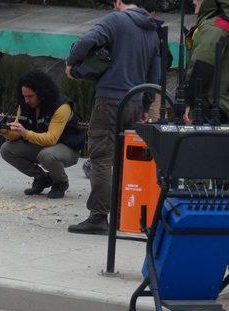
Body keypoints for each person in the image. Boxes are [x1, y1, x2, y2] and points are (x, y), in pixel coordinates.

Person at [65, 0, 161, 234]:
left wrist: (70, 63)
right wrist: (146, 104)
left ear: (119, 2)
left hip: (110, 100)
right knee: (125, 160)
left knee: (101, 158)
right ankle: (123, 213)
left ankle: (98, 217)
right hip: (136, 102)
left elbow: (87, 41)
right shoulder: (152, 30)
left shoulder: (115, 20)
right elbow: (155, 74)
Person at [0, 70, 85, 199]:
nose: (26, 100)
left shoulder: (61, 106)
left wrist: (26, 133)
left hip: (67, 147)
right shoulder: (24, 105)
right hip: (42, 145)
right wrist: (5, 129)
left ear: (42, 93)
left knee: (47, 155)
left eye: (30, 96)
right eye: (24, 96)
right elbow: (16, 134)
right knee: (7, 149)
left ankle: (60, 182)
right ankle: (41, 178)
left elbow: (51, 139)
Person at [183, 0, 229, 124]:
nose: (193, 1)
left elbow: (202, 67)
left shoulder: (216, 26)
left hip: (215, 113)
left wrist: (186, 102)